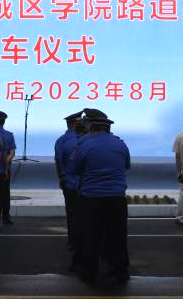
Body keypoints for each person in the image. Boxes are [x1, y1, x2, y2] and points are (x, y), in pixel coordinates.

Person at [71, 108, 131, 283]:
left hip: (92, 198)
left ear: (92, 128)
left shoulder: (84, 145)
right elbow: (126, 165)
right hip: (117, 198)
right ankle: (119, 269)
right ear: (108, 129)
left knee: (91, 236)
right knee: (117, 236)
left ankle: (90, 271)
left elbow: (75, 169)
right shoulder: (120, 144)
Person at [54, 111, 85, 261]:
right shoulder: (86, 140)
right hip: (84, 185)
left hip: (69, 183)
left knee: (72, 215)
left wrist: (62, 179)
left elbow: (59, 163)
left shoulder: (61, 141)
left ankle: (73, 242)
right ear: (76, 124)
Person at [0, 111, 17, 226]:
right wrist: (5, 163)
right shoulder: (9, 135)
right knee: (5, 193)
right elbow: (12, 153)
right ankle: (6, 217)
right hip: (5, 168)